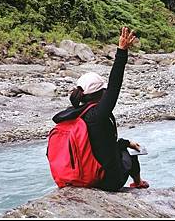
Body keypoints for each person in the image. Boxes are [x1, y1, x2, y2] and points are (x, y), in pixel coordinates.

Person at [52, 27, 149, 190]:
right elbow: (115, 85)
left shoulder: (74, 115)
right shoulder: (98, 115)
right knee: (131, 155)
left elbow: (102, 146)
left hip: (80, 177)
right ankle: (138, 182)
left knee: (123, 148)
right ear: (101, 93)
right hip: (106, 182)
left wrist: (125, 142)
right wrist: (122, 52)